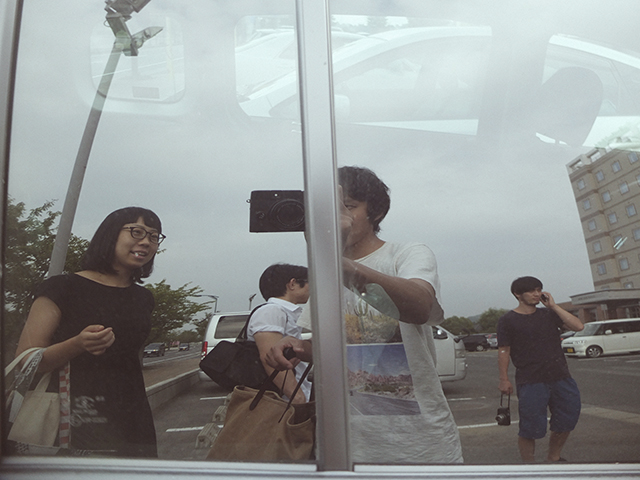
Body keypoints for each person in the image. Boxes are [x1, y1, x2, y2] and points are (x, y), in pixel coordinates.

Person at [264, 166, 463, 464]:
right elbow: (329, 348)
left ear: (377, 213)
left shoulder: (406, 254)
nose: (336, 217)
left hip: (420, 445)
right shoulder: (325, 272)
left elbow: (419, 307)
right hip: (345, 444)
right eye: (326, 210)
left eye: (348, 207)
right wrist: (297, 347)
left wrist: (336, 262)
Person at [14, 207, 165, 457]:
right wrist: (77, 344)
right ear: (110, 234)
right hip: (73, 416)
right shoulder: (62, 288)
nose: (146, 242)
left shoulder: (143, 298)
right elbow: (25, 360)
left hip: (132, 417)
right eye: (137, 232)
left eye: (154, 236)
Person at [497, 276, 584, 463]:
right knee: (531, 427)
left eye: (539, 290)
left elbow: (578, 326)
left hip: (560, 376)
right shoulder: (507, 320)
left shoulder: (549, 314)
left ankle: (554, 457)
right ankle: (529, 466)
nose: (536, 294)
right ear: (518, 294)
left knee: (567, 417)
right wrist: (504, 379)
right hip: (531, 380)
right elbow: (504, 350)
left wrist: (553, 306)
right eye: (531, 291)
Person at [247, 263, 312, 403]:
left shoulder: (283, 312)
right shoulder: (272, 311)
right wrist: (297, 397)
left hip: (284, 399)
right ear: (292, 284)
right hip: (281, 402)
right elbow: (270, 358)